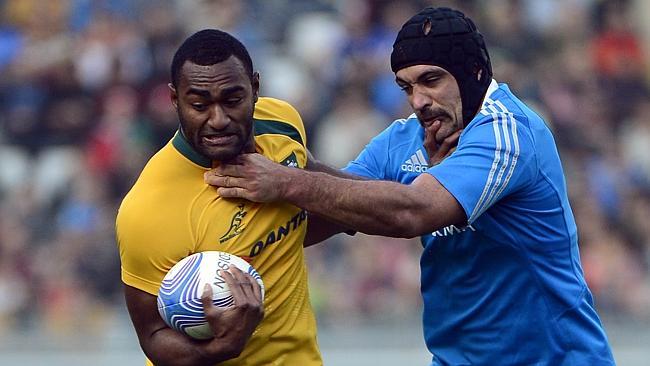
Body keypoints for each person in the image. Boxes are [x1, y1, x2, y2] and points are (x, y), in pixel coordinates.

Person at [205, 7, 616, 365]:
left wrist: (290, 181)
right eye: (407, 86)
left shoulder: (507, 132)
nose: (418, 100)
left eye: (431, 80)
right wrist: (213, 253)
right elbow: (334, 209)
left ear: (474, 72)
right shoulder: (404, 139)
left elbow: (413, 211)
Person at [116, 29, 322, 366]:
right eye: (199, 104)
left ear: (255, 88)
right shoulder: (147, 209)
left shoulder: (281, 123)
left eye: (232, 100)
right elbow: (152, 336)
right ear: (174, 99)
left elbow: (314, 206)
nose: (218, 119)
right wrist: (223, 347)